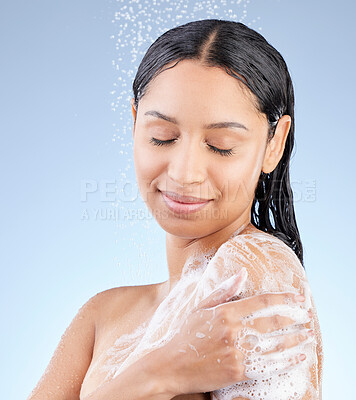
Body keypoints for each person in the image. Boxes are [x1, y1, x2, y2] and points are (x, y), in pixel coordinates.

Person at [28, 19, 323, 400]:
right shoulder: (103, 315)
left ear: (274, 144)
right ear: (135, 123)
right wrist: (160, 373)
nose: (184, 173)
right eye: (162, 137)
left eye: (220, 144)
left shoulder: (255, 270)